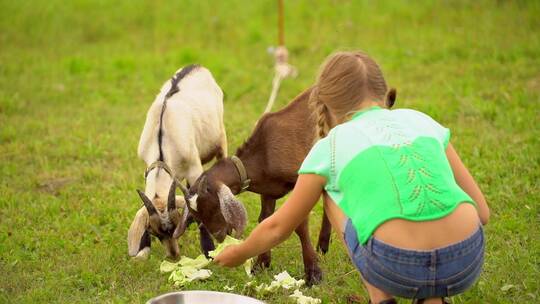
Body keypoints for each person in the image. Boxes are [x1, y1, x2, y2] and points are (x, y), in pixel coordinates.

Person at [214, 51, 490, 304]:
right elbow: (483, 213)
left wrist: (240, 253)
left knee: (328, 191)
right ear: (383, 94)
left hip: (396, 266)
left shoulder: (328, 148)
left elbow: (278, 228)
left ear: (326, 104)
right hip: (466, 260)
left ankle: (380, 298)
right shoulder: (422, 120)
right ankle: (433, 299)